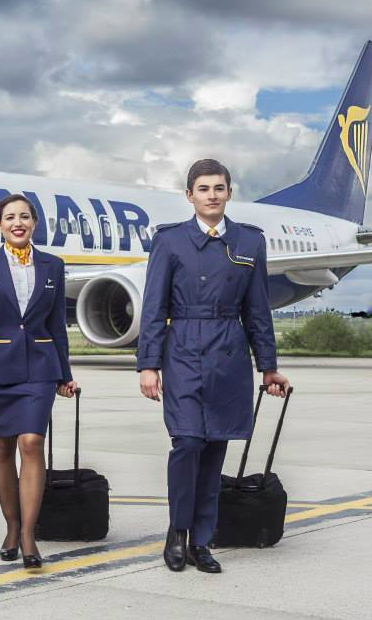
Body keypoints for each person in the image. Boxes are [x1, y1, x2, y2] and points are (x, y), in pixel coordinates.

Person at [137, 159, 290, 574]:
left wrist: (268, 366)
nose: (212, 195)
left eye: (219, 188)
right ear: (190, 196)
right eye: (203, 189)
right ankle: (177, 532)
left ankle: (201, 542)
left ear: (229, 193)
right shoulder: (170, 241)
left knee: (214, 450)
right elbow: (154, 308)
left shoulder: (249, 241)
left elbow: (257, 310)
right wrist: (148, 365)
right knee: (187, 443)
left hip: (228, 354)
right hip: (183, 350)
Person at [0, 193, 78, 570]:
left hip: (40, 367)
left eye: (24, 216)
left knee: (32, 442)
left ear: (35, 223)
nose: (17, 223)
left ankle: (27, 534)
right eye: (10, 217)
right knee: (2, 448)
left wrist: (65, 374)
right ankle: (11, 525)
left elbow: (57, 324)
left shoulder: (53, 265)